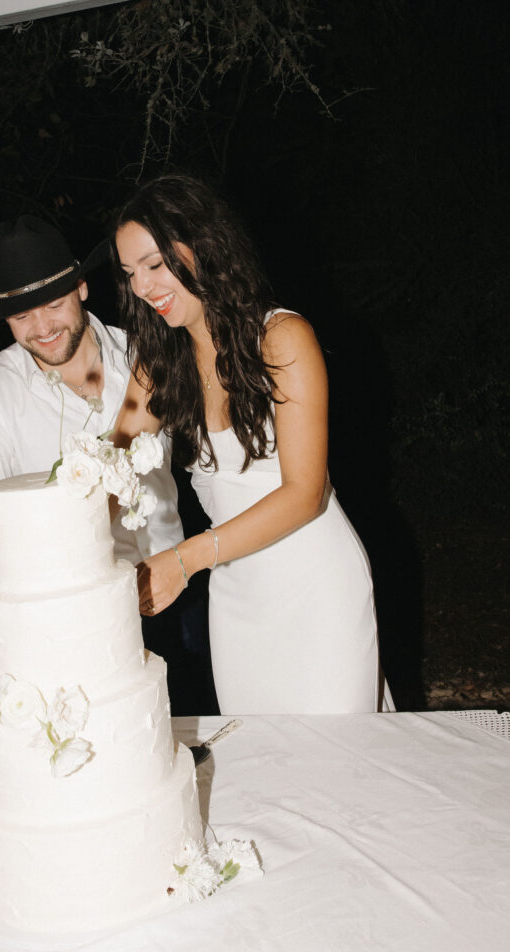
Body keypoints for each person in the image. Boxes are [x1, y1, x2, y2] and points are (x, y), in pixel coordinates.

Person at [111, 174, 395, 714]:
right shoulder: (159, 365)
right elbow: (111, 464)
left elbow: (306, 492)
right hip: (238, 595)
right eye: (130, 275)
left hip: (316, 588)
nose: (143, 288)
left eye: (154, 264)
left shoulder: (283, 338)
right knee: (268, 771)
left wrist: (184, 559)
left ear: (202, 243)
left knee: (339, 769)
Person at [0, 215, 202, 698]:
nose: (41, 328)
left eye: (53, 305)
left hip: (177, 597)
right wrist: (24, 583)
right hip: (67, 620)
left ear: (82, 288)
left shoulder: (151, 355)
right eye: (22, 316)